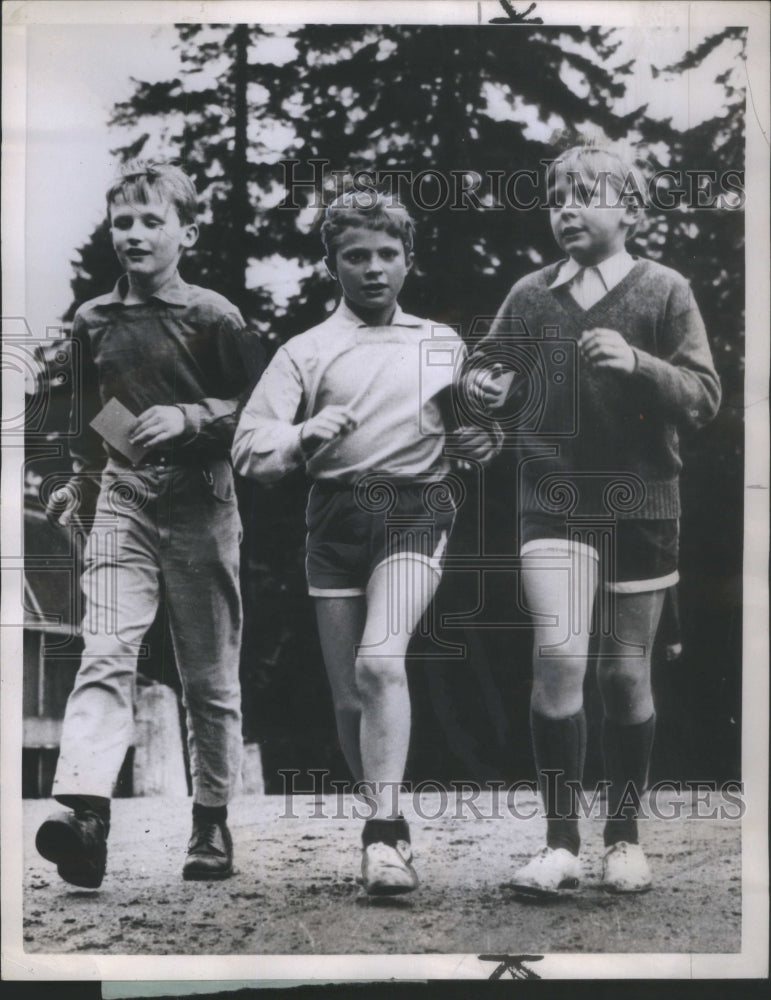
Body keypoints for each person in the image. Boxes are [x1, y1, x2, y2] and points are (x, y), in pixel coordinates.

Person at [465, 145, 720, 895]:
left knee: (622, 676)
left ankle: (623, 838)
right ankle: (558, 846)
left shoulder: (663, 289)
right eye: (555, 195)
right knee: (559, 661)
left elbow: (704, 395)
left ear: (630, 210)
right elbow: (484, 374)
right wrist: (483, 386)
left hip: (642, 507)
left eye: (585, 194)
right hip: (551, 503)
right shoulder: (529, 294)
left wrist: (637, 363)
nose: (566, 207)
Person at [232, 190, 500, 895]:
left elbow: (476, 437)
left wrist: (478, 437)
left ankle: (385, 837)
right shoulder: (306, 350)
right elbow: (250, 448)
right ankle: (380, 821)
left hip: (417, 510)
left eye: (387, 255)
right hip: (333, 519)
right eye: (356, 256)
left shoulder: (440, 342)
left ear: (408, 260)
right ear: (333, 265)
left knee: (381, 662)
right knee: (350, 697)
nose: (373, 268)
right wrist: (299, 435)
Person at [35, 160, 264, 888]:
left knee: (208, 674)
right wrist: (80, 480)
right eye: (121, 222)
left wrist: (194, 416)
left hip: (202, 496)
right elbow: (84, 413)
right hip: (123, 499)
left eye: (150, 221)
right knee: (104, 650)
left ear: (185, 233)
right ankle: (85, 816)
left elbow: (261, 408)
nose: (132, 234)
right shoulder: (92, 321)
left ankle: (210, 823)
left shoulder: (215, 316)